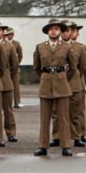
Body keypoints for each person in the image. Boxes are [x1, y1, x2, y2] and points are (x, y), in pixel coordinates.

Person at [33, 18, 75, 157]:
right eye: (51, 29)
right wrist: (46, 76)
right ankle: (42, 146)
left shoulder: (67, 47)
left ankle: (66, 146)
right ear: (47, 32)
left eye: (56, 29)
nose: (53, 31)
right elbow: (36, 67)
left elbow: (73, 68)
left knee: (63, 117)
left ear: (60, 31)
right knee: (45, 118)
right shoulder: (40, 47)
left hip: (61, 83)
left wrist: (62, 77)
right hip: (46, 83)